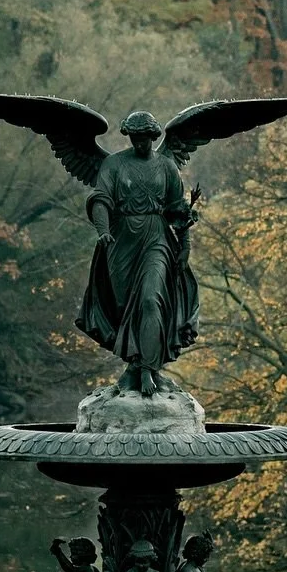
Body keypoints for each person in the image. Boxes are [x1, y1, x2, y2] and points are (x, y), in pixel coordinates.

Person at [77, 111, 199, 397]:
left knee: (150, 300)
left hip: (156, 239)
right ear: (130, 137)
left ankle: (147, 369)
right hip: (120, 242)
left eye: (145, 138)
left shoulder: (166, 166)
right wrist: (103, 229)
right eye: (135, 138)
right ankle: (136, 365)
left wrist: (185, 241)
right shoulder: (114, 164)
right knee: (123, 309)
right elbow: (100, 198)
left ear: (153, 137)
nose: (140, 143)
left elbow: (175, 210)